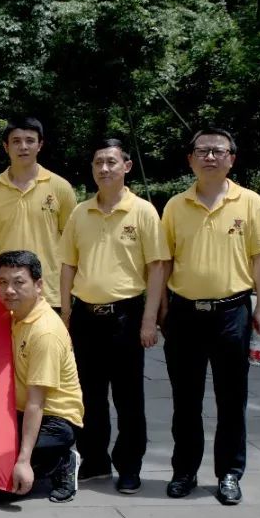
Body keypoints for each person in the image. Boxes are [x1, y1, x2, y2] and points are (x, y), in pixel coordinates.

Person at [160, 127, 260, 505]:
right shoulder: (175, 206)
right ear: (190, 159)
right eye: (202, 151)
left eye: (218, 151)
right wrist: (159, 308)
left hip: (231, 314)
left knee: (232, 399)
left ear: (232, 158)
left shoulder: (250, 202)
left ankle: (229, 473)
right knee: (186, 400)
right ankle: (184, 471)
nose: (210, 157)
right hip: (185, 314)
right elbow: (164, 262)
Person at [59, 139, 169, 494]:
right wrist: (65, 313)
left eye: (111, 162)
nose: (104, 169)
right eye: (98, 163)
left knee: (128, 397)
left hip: (126, 315)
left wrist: (149, 319)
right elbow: (68, 265)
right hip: (85, 316)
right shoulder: (80, 212)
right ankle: (94, 460)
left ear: (127, 166)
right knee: (88, 395)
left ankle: (130, 466)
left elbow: (156, 267)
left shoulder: (143, 211)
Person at [0, 250, 85, 503]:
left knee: (3, 479)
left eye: (18, 282)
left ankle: (63, 461)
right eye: (3, 282)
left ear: (38, 286)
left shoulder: (45, 333)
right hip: (19, 409)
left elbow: (37, 402)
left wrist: (23, 460)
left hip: (54, 417)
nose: (9, 290)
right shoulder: (11, 315)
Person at [0, 117, 77, 307]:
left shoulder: (61, 188)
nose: (23, 147)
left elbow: (71, 245)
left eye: (30, 140)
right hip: (3, 293)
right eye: (16, 141)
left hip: (48, 292)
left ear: (40, 145)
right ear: (6, 146)